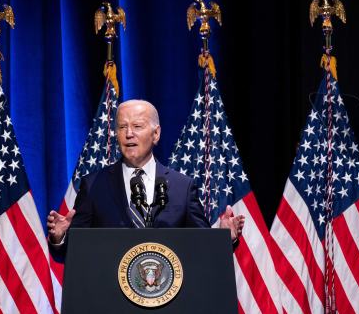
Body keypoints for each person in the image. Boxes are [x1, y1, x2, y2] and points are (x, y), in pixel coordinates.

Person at [47, 100, 244, 249]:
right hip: (111, 297)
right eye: (122, 127)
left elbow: (202, 246)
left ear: (156, 134)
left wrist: (225, 238)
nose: (129, 133)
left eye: (137, 126)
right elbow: (77, 251)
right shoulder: (94, 185)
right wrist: (60, 237)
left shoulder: (181, 187)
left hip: (168, 297)